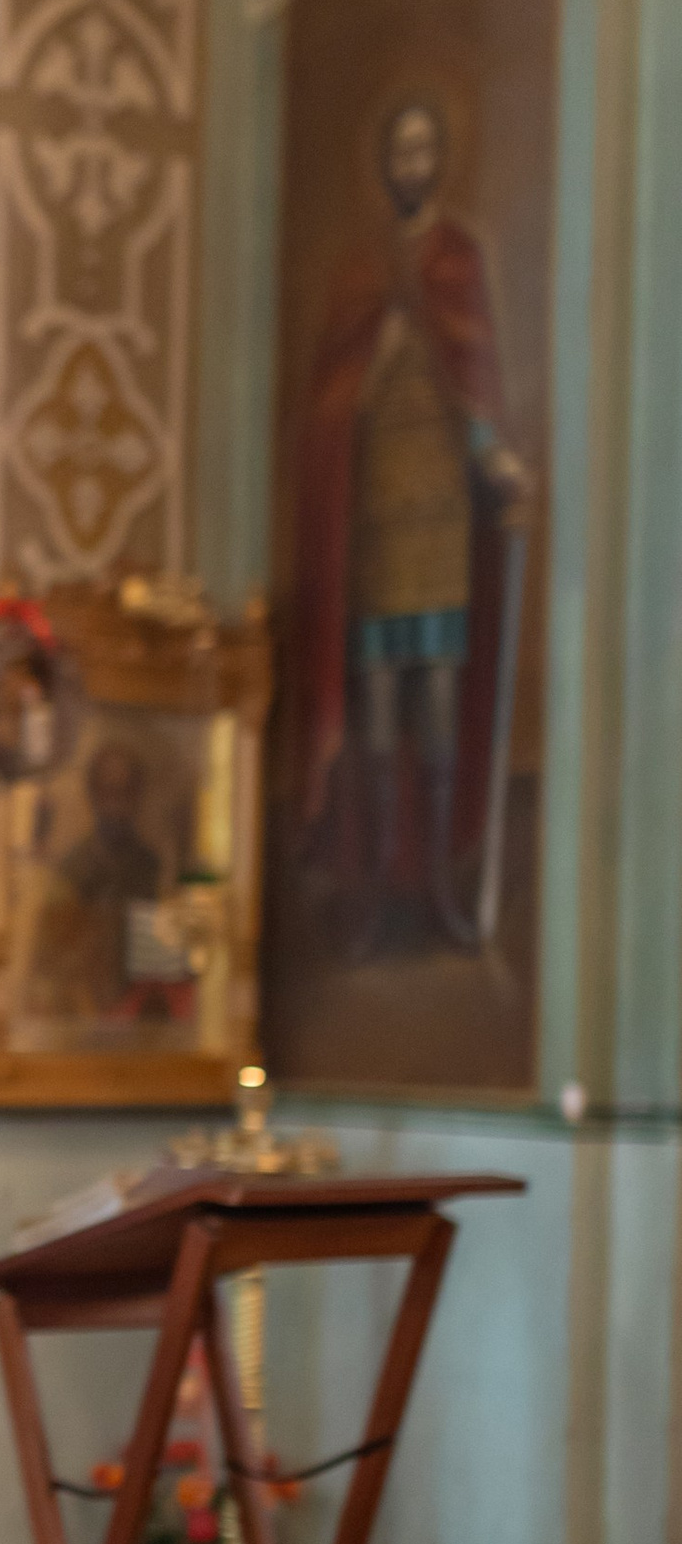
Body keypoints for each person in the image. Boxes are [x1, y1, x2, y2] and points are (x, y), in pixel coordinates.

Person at [287, 97, 529, 954]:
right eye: (402, 149)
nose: (414, 164)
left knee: (436, 707)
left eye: (427, 148)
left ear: (441, 159)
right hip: (377, 524)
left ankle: (435, 891)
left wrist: (495, 456)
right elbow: (326, 403)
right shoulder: (360, 266)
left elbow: (477, 382)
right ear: (385, 161)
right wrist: (369, 367)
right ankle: (377, 894)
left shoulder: (458, 258)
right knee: (378, 713)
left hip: (441, 521)